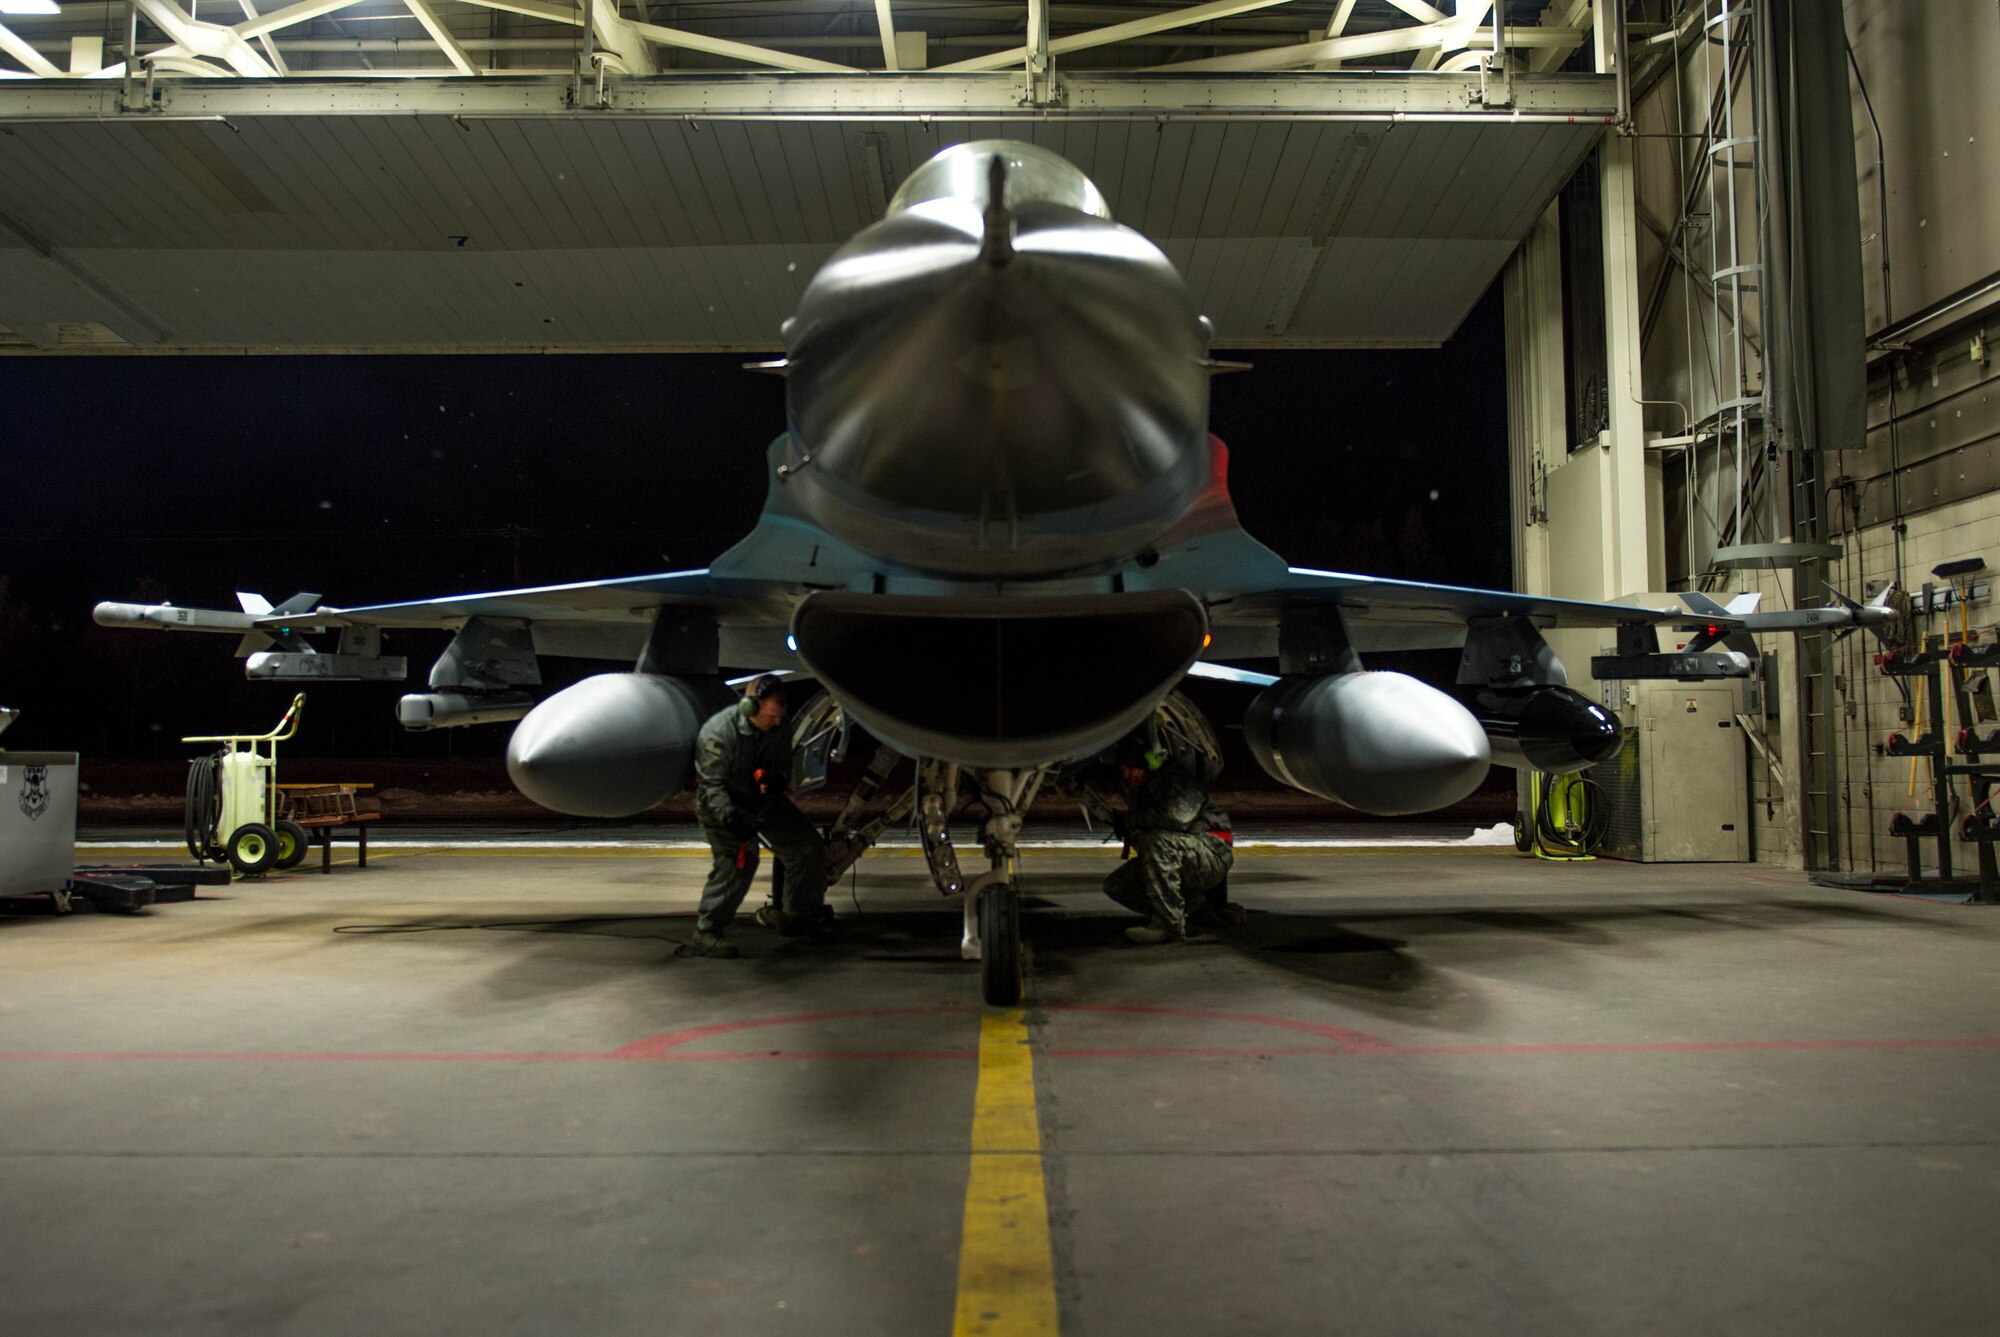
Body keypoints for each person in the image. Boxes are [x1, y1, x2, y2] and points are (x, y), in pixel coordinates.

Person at [681, 674, 830, 958]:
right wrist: (733, 820)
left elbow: (782, 767)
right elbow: (712, 788)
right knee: (740, 860)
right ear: (751, 707)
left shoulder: (780, 724)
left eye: (780, 716)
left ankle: (798, 918)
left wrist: (775, 780)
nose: (777, 722)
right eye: (772, 716)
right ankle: (707, 931)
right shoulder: (718, 732)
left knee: (806, 847)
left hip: (760, 799)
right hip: (722, 803)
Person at [1101, 727, 1240, 944]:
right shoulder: (1144, 785)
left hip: (1211, 854)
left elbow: (1178, 818)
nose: (1128, 776)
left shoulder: (1173, 778)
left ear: (1145, 765)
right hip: (1187, 853)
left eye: (1132, 770)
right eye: (1124, 770)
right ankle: (1195, 910)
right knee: (1117, 885)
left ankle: (1169, 926)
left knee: (1156, 842)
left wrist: (1130, 821)